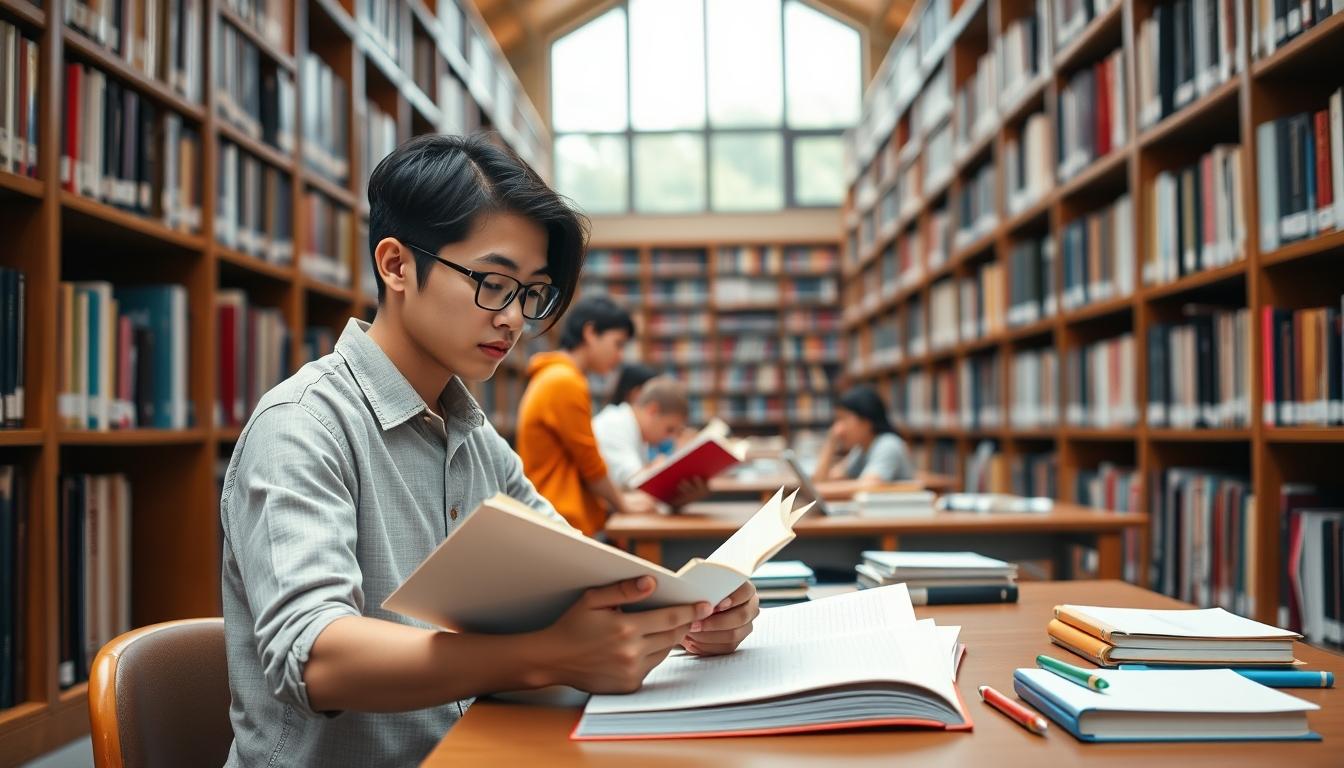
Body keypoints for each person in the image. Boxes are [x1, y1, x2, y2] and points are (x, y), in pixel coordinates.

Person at [218, 135, 758, 768]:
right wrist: (550, 654)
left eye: (531, 294)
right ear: (395, 266)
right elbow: (317, 659)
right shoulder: (303, 424)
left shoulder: (475, 440)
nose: (514, 320)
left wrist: (693, 612)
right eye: (494, 283)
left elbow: (594, 585)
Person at [517, 296, 654, 535]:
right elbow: (590, 462)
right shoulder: (564, 381)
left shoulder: (557, 376)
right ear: (590, 333)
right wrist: (622, 504)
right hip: (560, 520)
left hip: (556, 516)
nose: (620, 356)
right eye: (618, 344)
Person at [592, 376, 710, 507]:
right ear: (652, 410)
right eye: (669, 429)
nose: (670, 438)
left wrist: (683, 496)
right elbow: (637, 486)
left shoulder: (636, 432)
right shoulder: (613, 425)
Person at [812, 385, 915, 491]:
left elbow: (869, 486)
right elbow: (824, 481)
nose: (837, 429)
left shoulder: (889, 444)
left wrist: (819, 490)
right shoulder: (861, 449)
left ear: (866, 422)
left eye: (843, 419)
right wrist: (830, 443)